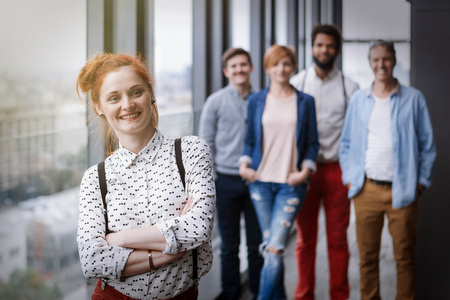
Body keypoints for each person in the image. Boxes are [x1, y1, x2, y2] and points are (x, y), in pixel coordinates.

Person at [76, 53, 216, 300]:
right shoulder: (94, 179)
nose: (127, 104)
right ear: (99, 106)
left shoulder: (192, 151)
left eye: (136, 92)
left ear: (151, 94)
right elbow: (92, 261)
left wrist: (119, 239)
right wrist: (171, 252)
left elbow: (198, 229)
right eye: (114, 98)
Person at [339, 40, 436, 300]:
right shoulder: (359, 99)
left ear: (393, 60)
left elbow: (427, 145)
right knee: (367, 259)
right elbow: (346, 143)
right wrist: (350, 179)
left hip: (403, 191)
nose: (381, 64)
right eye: (375, 60)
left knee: (404, 259)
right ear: (370, 63)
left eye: (386, 59)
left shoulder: (414, 98)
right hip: (366, 190)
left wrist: (421, 182)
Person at [239, 44, 320, 300]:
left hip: (290, 184)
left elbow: (312, 143)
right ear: (267, 68)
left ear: (293, 66)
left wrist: (305, 171)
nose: (281, 69)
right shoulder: (256, 100)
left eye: (286, 63)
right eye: (276, 64)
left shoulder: (305, 102)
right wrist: (244, 165)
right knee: (274, 246)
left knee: (273, 249)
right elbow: (250, 139)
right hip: (260, 183)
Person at [290, 24, 359, 300]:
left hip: (336, 170)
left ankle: (339, 295)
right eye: (319, 45)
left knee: (338, 240)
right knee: (304, 241)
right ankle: (304, 295)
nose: (324, 50)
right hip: (304, 171)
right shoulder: (296, 84)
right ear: (312, 47)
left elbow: (357, 133)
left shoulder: (350, 87)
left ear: (337, 50)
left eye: (330, 46)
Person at [199, 48, 263, 300]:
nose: (239, 70)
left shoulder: (263, 99)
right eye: (233, 66)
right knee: (229, 246)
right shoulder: (214, 101)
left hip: (257, 181)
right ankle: (232, 293)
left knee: (256, 244)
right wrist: (212, 180)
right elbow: (205, 144)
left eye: (243, 65)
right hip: (224, 181)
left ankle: (259, 293)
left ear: (251, 68)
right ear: (227, 71)